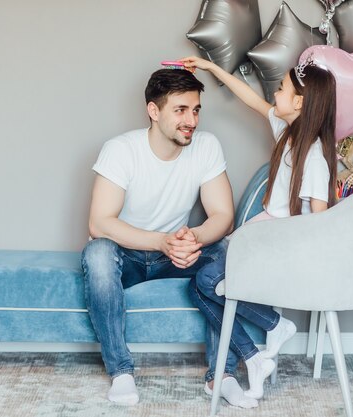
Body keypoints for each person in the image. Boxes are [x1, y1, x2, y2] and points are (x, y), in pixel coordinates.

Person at [180, 54, 338, 407]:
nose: (274, 94)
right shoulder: (287, 131)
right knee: (201, 282)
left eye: (280, 89)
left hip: (274, 243)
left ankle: (268, 332)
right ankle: (254, 355)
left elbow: (319, 221)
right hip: (260, 233)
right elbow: (251, 99)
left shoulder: (313, 157)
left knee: (204, 283)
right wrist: (212, 68)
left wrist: (299, 260)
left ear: (299, 102)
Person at [82, 68, 235, 406]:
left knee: (226, 250)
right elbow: (100, 223)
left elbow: (223, 215)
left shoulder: (207, 146)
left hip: (176, 254)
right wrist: (161, 241)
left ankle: (222, 374)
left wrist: (192, 238)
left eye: (196, 110)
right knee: (97, 254)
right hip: (129, 254)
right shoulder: (120, 150)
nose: (191, 120)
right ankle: (121, 371)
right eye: (180, 110)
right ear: (154, 111)